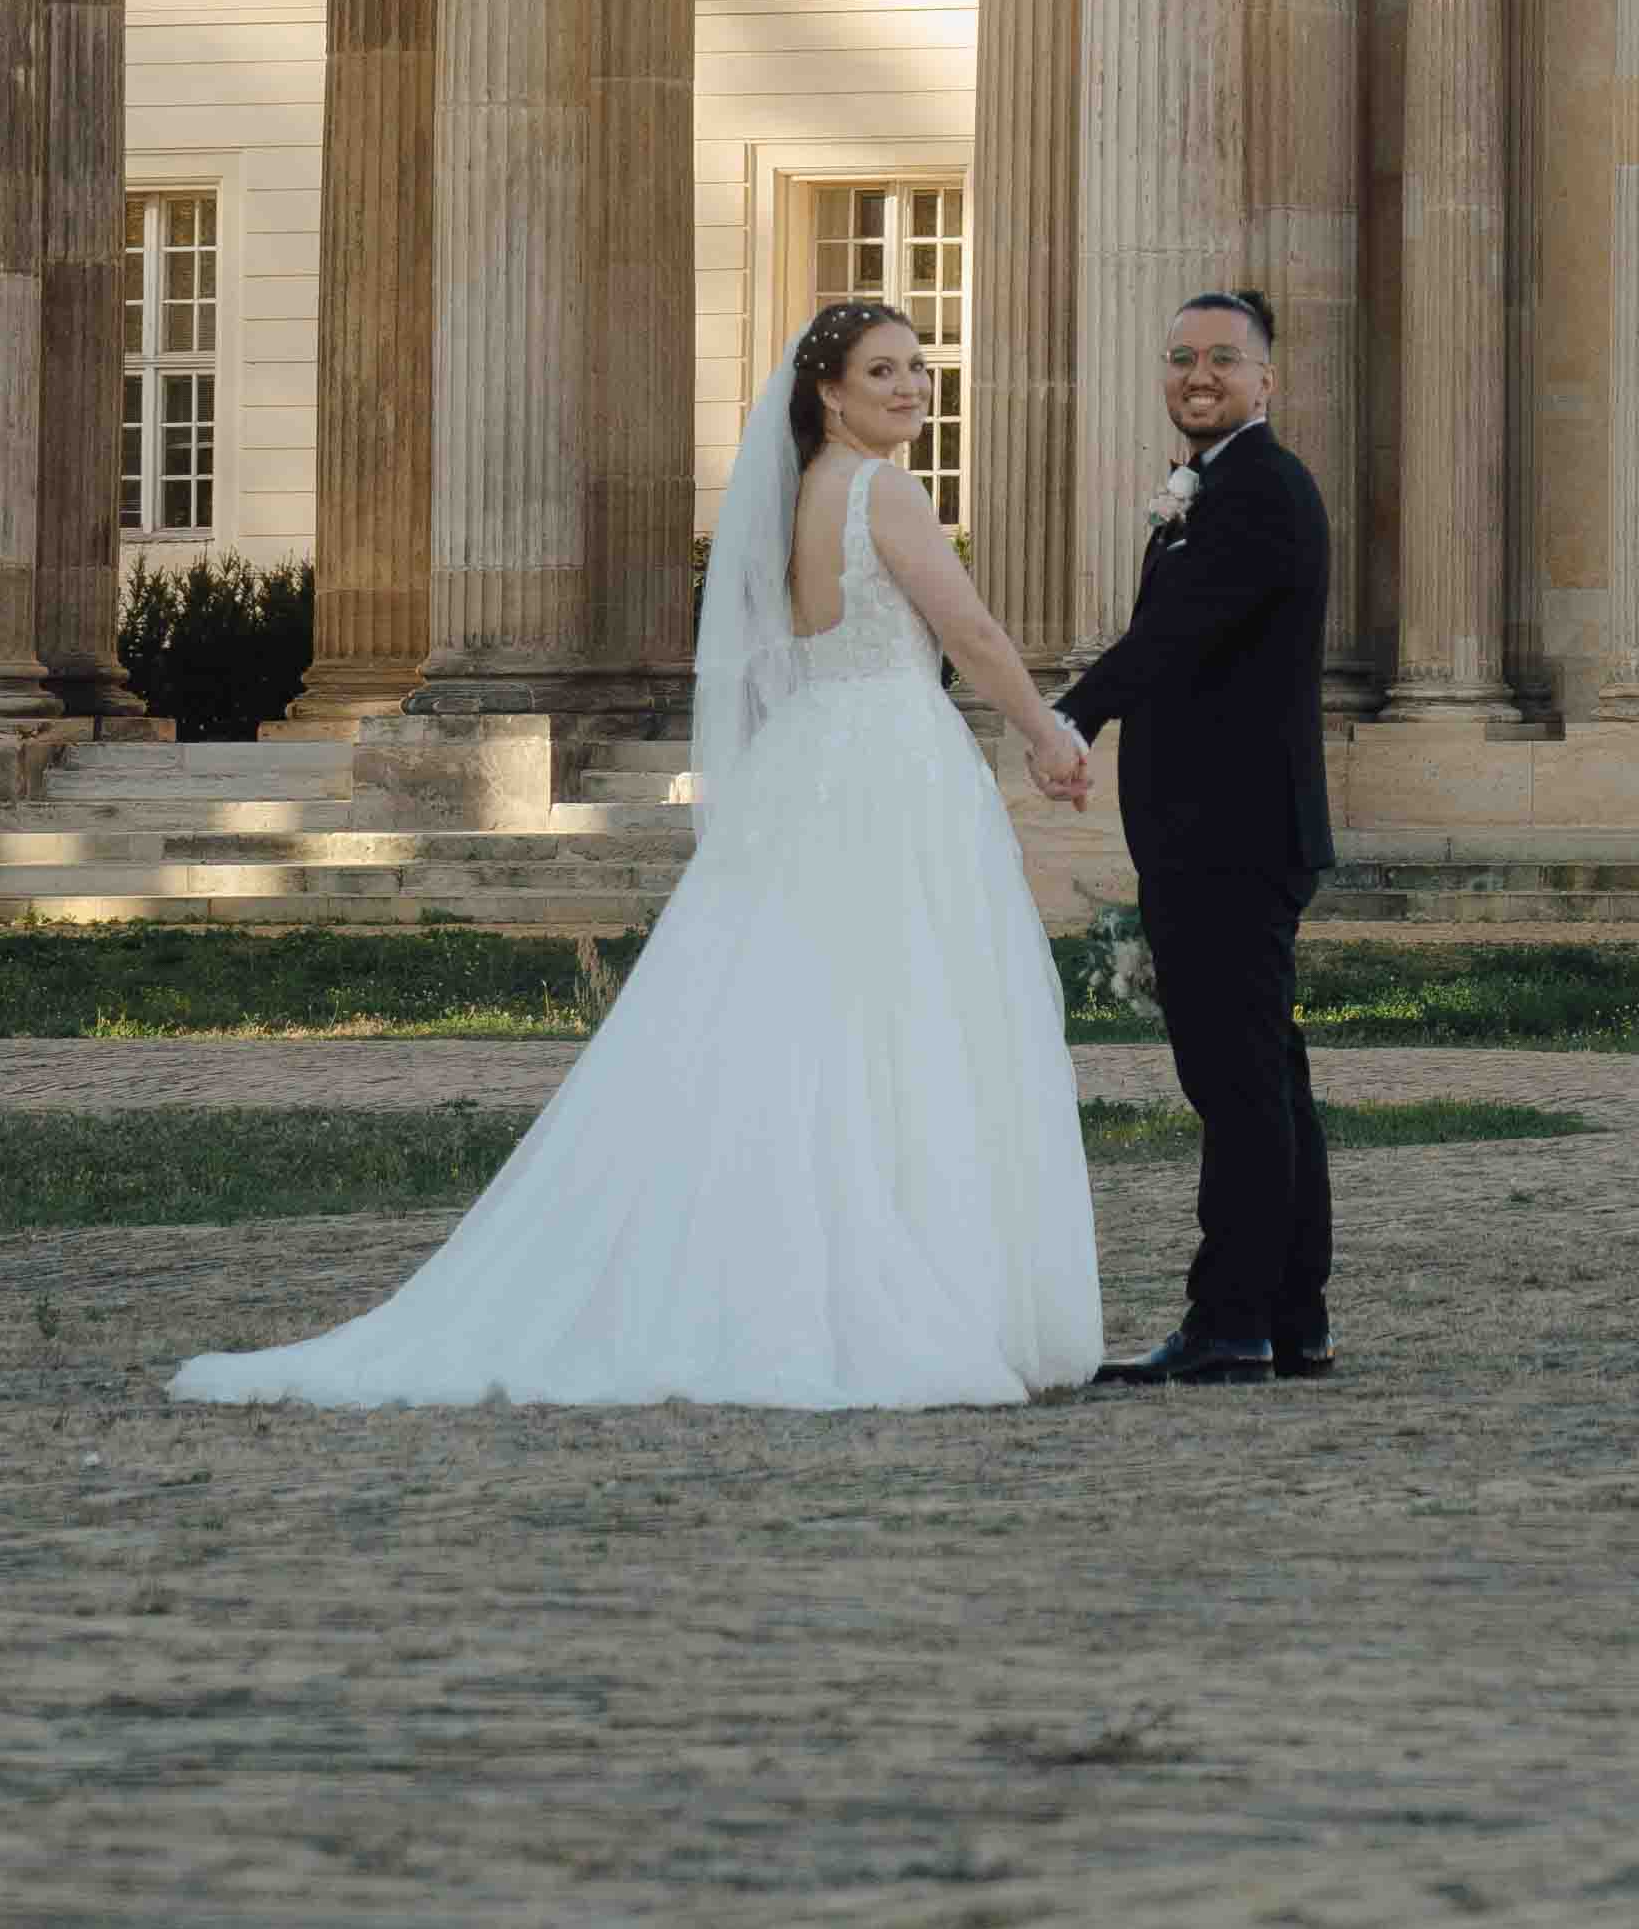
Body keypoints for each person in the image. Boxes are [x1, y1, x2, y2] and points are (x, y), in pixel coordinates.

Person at [171, 299, 1100, 1414]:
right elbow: (975, 635)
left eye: (918, 367)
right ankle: (909, 1281)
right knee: (905, 1002)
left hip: (816, 760)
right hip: (890, 758)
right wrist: (1046, 733)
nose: (912, 387)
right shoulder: (884, 491)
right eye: (884, 371)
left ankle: (799, 1260)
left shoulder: (798, 500)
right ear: (829, 395)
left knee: (800, 1011)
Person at [1064, 285, 1337, 1391]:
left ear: (1268, 379)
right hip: (1223, 831)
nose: (1198, 376)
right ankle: (1289, 1321)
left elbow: (1171, 637)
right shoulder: (1223, 488)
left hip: (1229, 836)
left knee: (1235, 1087)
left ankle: (1229, 1321)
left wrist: (1067, 715)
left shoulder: (1260, 491)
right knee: (1265, 1078)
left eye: (1223, 359)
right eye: (1181, 358)